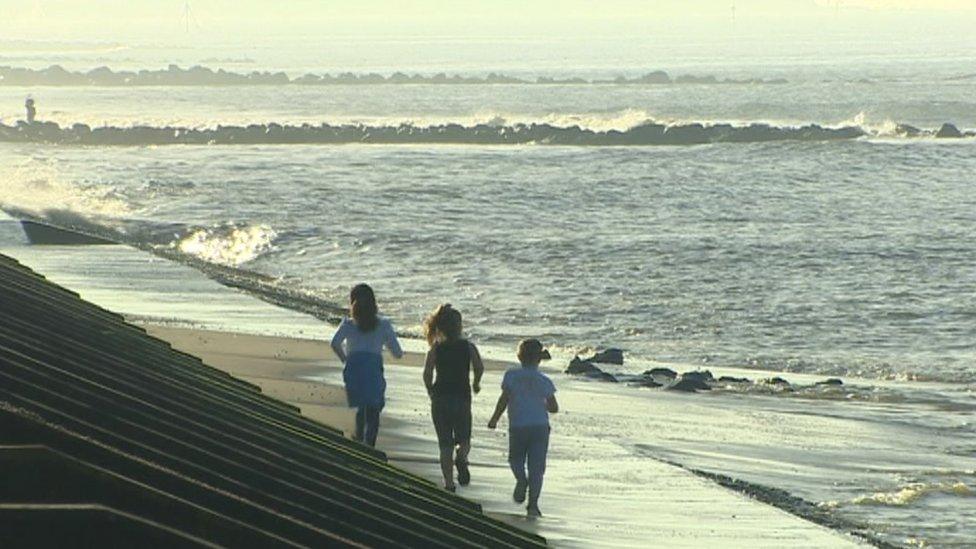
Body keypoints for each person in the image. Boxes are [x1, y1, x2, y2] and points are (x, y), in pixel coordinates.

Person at [488, 339, 558, 517]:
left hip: (518, 425)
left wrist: (495, 418)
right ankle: (533, 505)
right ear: (539, 359)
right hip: (540, 427)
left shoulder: (511, 376)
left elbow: (503, 400)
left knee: (515, 459)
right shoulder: (544, 381)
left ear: (519, 356)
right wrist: (543, 403)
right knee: (537, 467)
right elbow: (554, 407)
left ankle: (521, 480)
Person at [330, 283, 403, 447]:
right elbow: (397, 353)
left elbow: (335, 343)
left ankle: (358, 437)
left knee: (361, 407)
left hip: (353, 368)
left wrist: (345, 359)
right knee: (374, 408)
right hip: (373, 369)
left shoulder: (348, 325)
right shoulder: (383, 325)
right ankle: (369, 443)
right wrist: (395, 352)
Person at [422, 304, 485, 492]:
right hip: (462, 398)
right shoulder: (468, 347)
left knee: (444, 444)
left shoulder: (435, 349)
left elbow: (427, 373)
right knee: (464, 439)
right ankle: (462, 458)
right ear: (460, 327)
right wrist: (476, 383)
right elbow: (479, 367)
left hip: (440, 398)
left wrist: (430, 390)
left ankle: (449, 483)